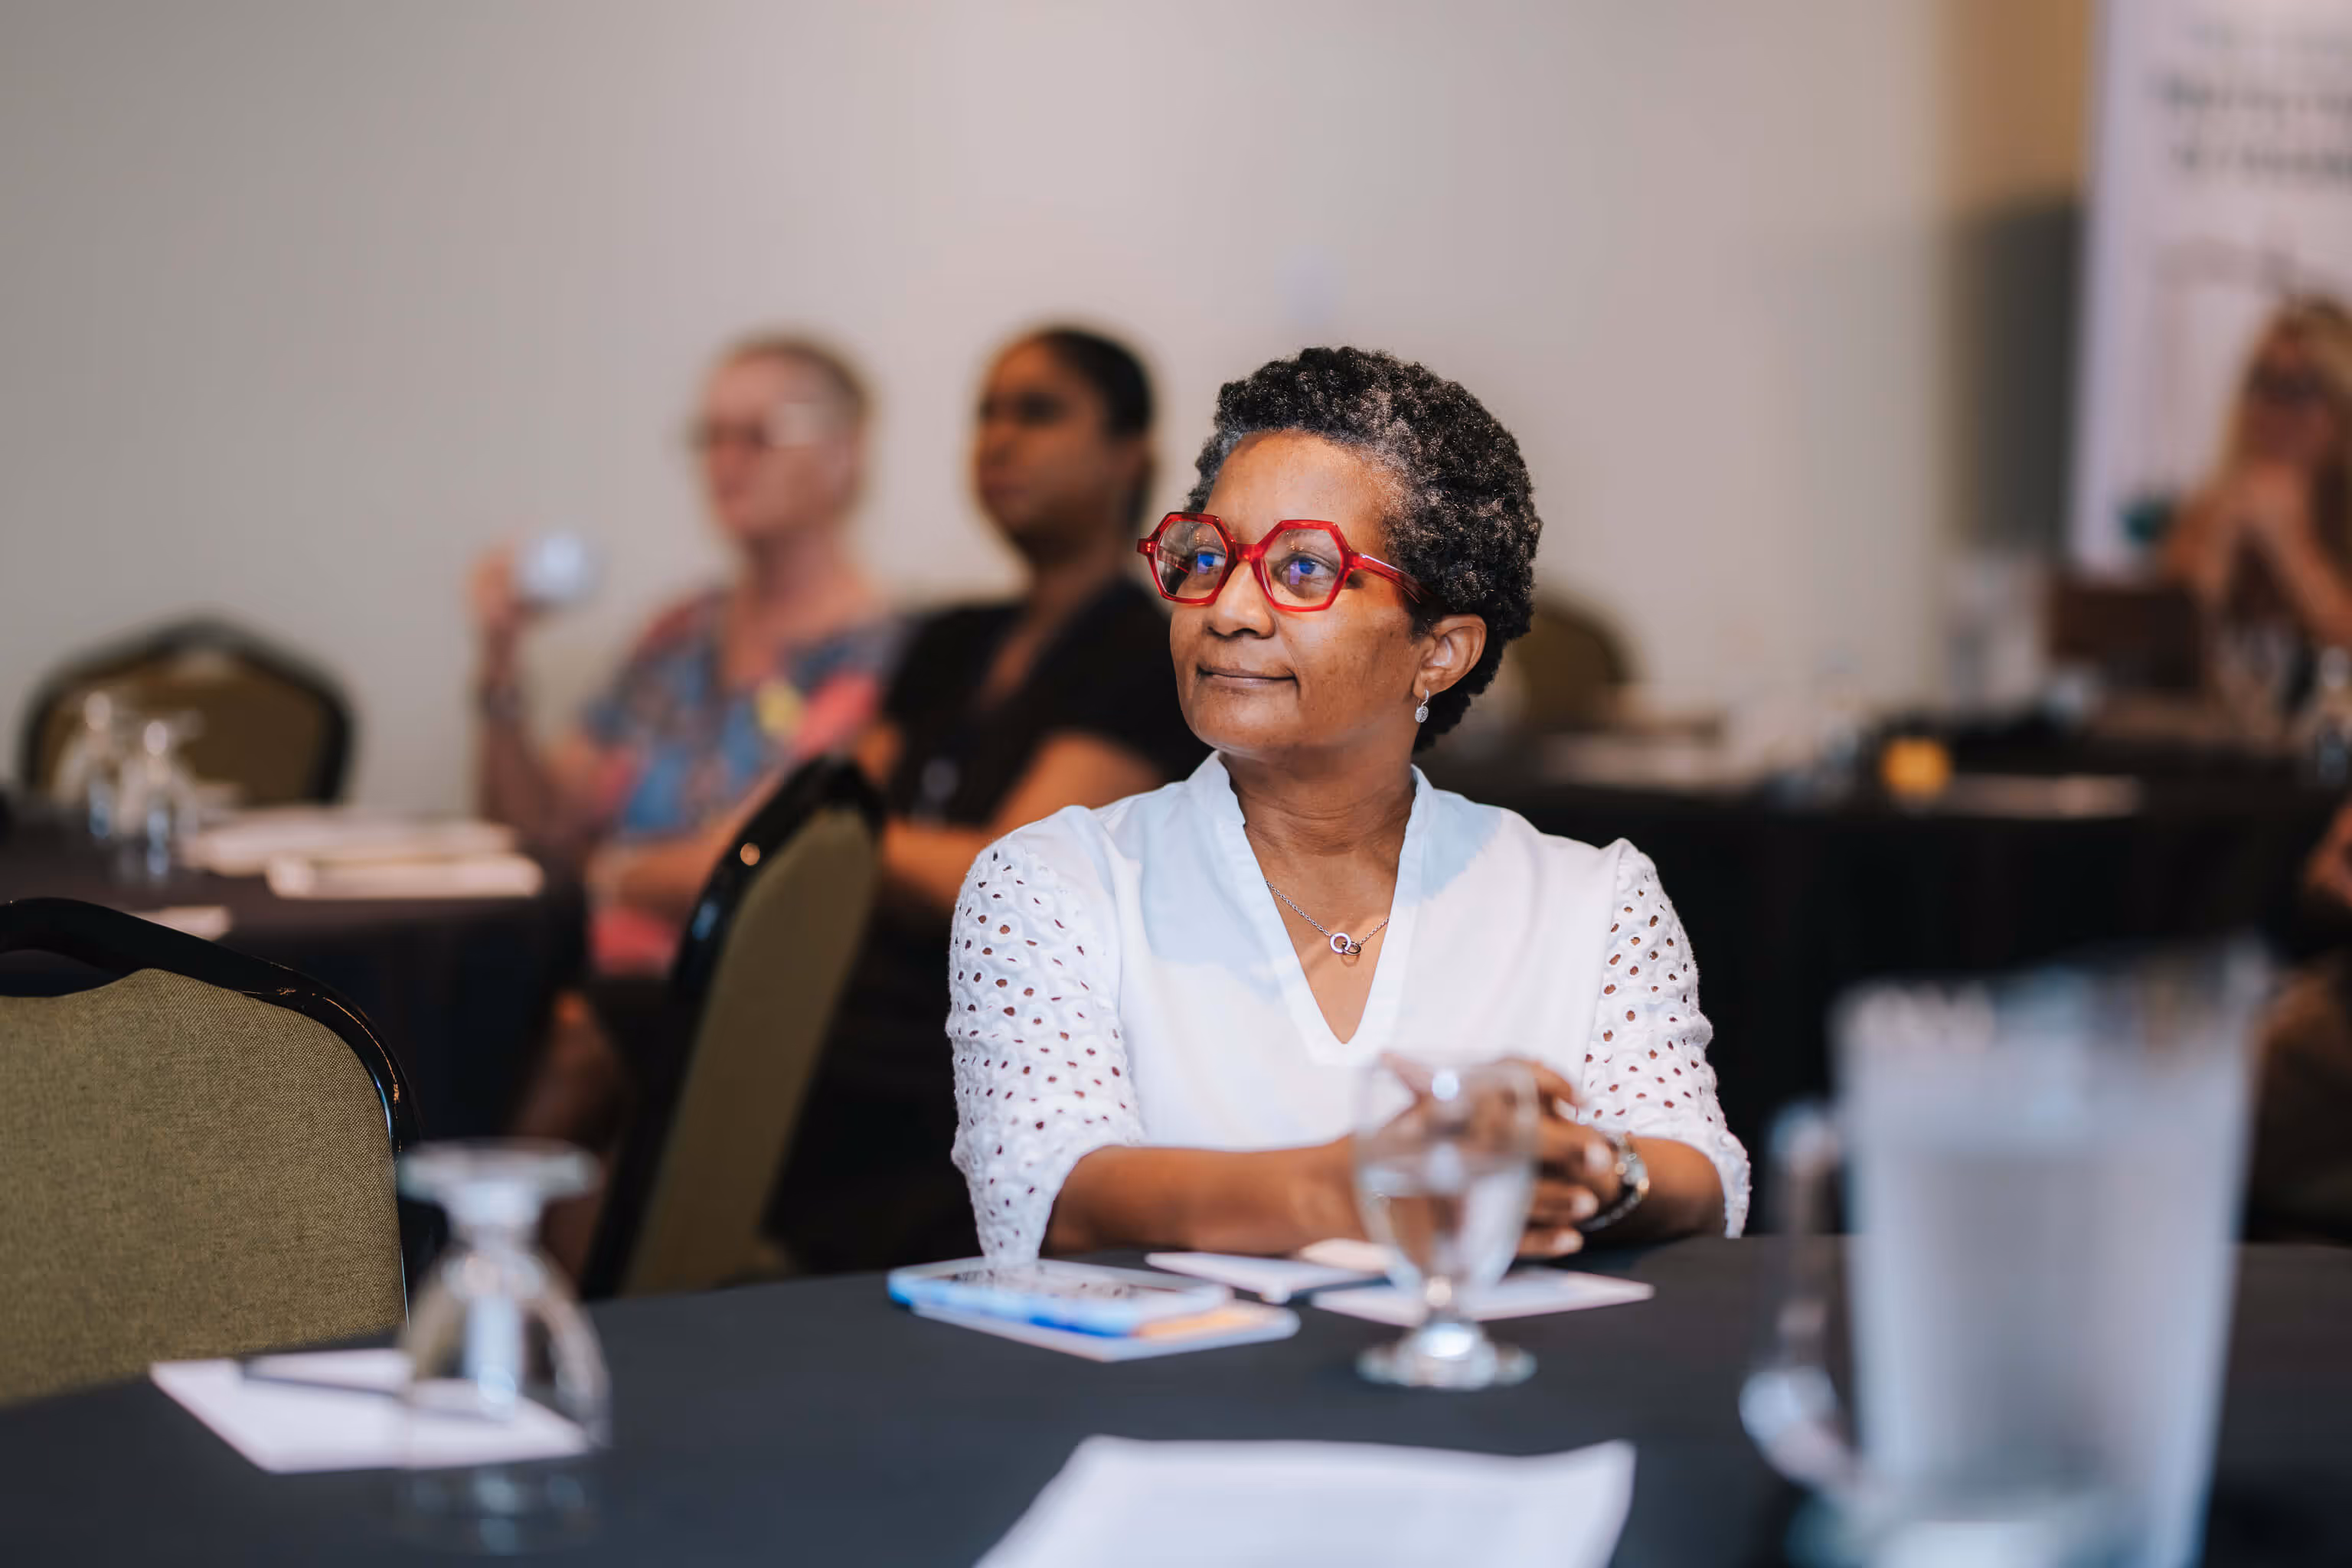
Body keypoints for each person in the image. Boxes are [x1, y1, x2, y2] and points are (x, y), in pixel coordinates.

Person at [947, 347, 1747, 1263]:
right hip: (1180, 1402)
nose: (1229, 608)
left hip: (1496, 1388)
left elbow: (1702, 1176)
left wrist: (1593, 1170)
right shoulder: (1055, 882)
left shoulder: (1590, 899)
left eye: (1300, 571)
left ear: (1439, 651)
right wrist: (1355, 1187)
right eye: (1206, 556)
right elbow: (1050, 1192)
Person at [769, 327, 1206, 1272]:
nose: (998, 439)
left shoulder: (1143, 648)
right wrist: (878, 848)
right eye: (987, 413)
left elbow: (1008, 873)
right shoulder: (951, 636)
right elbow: (831, 814)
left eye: (1038, 411)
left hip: (973, 1027)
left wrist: (868, 848)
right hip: (855, 986)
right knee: (608, 1017)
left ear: (1128, 452)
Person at [472, 333, 901, 980]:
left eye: (760, 435)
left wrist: (591, 869)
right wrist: (500, 661)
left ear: (846, 453)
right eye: (711, 436)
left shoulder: (886, 650)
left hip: (718, 999)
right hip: (579, 965)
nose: (726, 462)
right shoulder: (678, 631)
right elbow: (534, 827)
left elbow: (756, 864)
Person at [2161, 296, 2352, 653]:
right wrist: (2221, 540)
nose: (2274, 408)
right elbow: (2166, 653)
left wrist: (2293, 548)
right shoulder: (2205, 514)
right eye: (2261, 382)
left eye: (2300, 388)